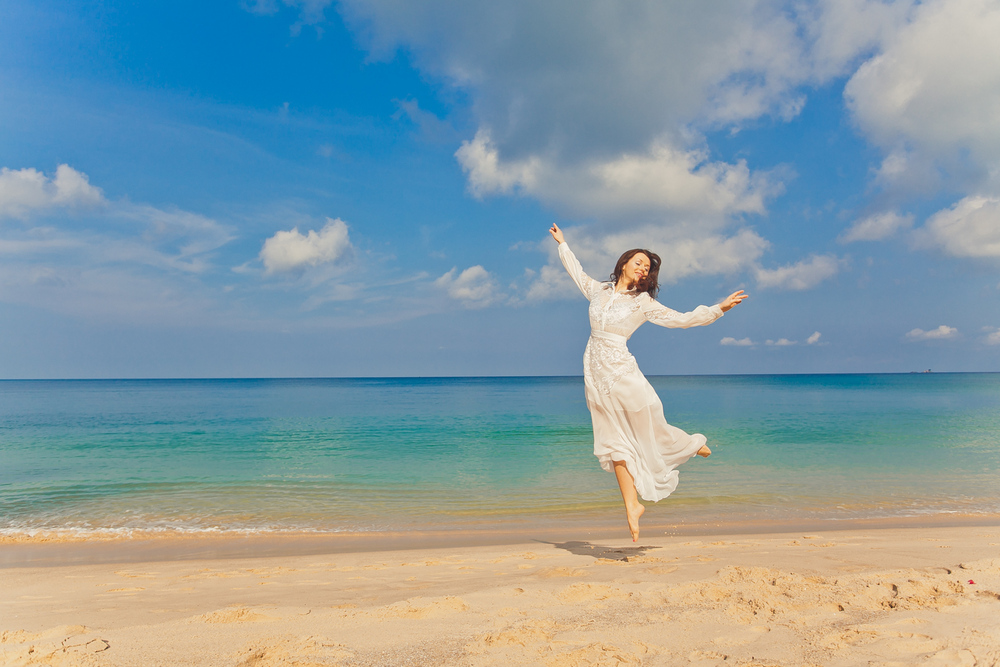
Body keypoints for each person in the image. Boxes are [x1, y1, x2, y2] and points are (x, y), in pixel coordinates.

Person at [549, 223, 747, 542]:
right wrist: (563, 244)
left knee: (648, 421)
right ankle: (632, 505)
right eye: (638, 261)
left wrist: (718, 309)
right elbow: (576, 271)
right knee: (613, 442)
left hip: (622, 370)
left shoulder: (643, 303)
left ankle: (690, 444)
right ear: (624, 262)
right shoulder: (598, 290)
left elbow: (680, 319)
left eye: (647, 266)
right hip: (595, 374)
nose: (643, 267)